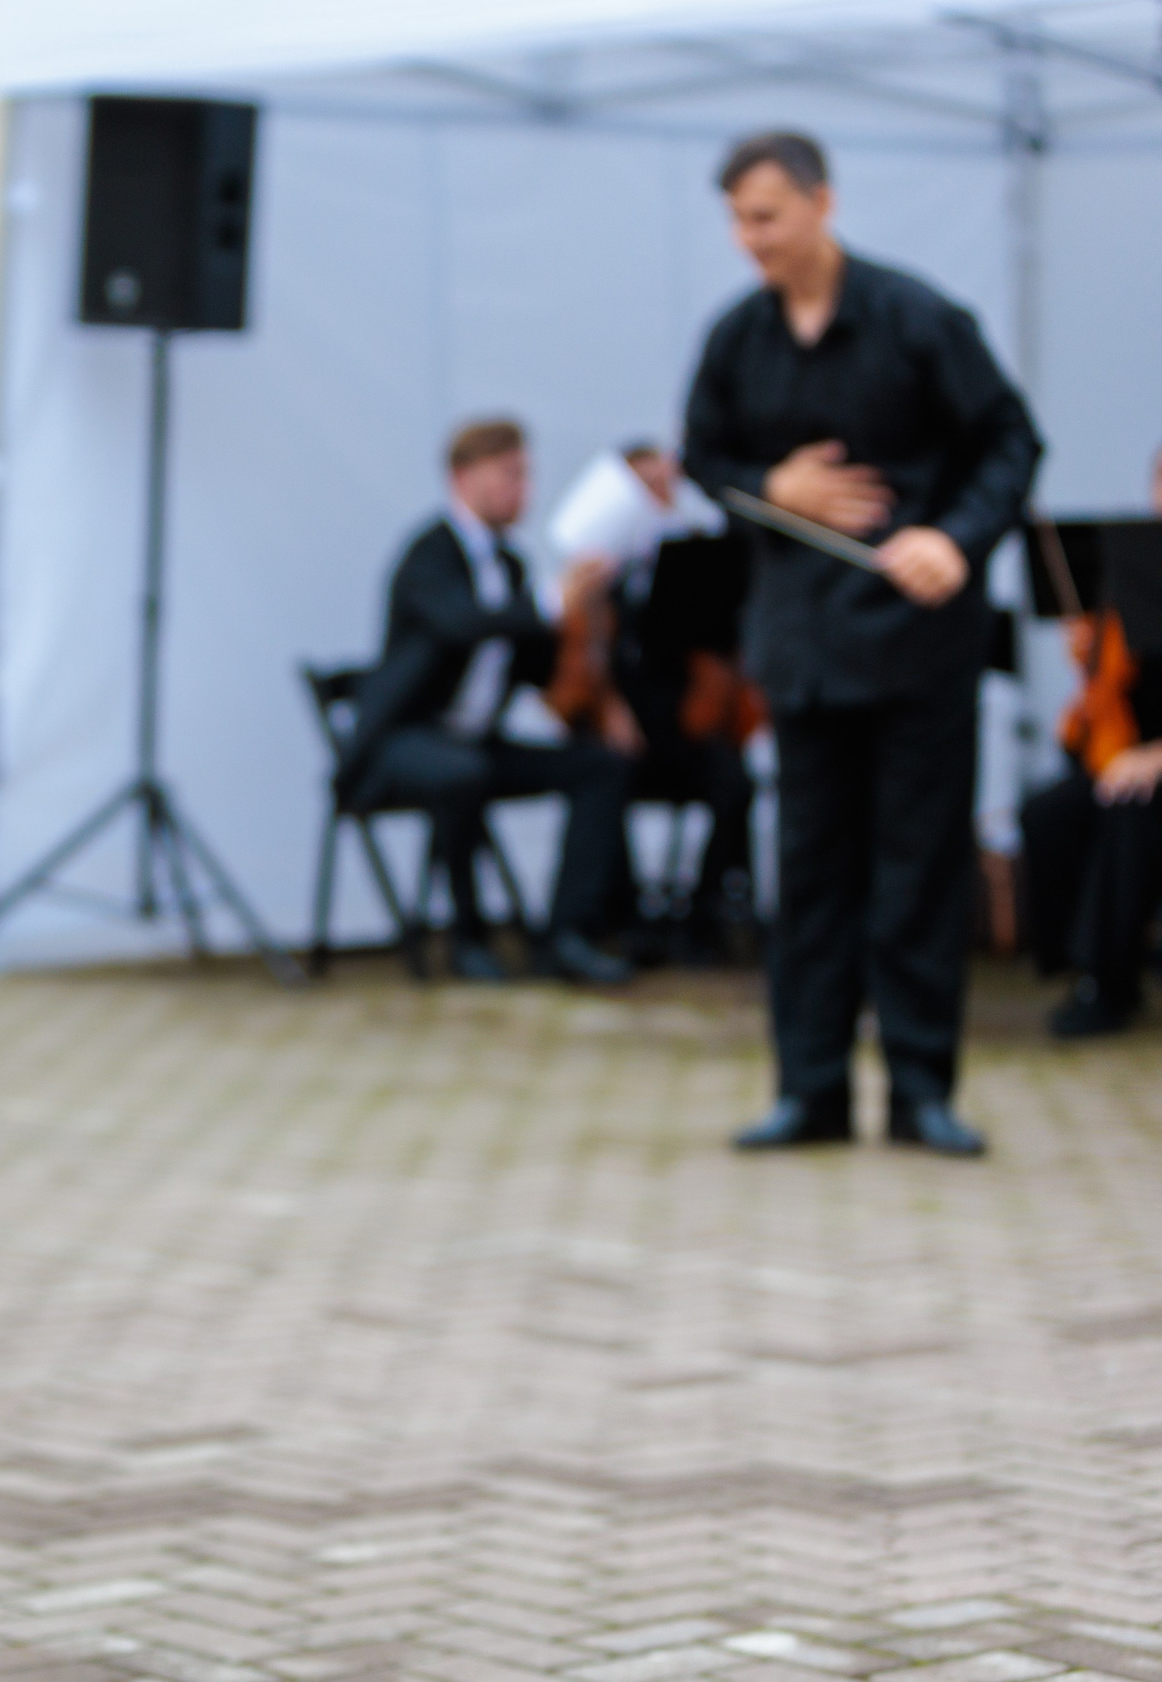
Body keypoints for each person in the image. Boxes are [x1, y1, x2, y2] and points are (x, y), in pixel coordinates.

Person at [682, 132, 1041, 1157]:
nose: (750, 239)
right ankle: (812, 1089)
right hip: (800, 646)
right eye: (738, 221)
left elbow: (1010, 443)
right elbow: (705, 459)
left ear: (819, 203)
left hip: (917, 640)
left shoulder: (918, 319)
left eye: (766, 216)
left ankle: (923, 1090)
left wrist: (954, 539)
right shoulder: (735, 339)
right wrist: (770, 489)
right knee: (810, 873)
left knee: (917, 869)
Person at [335, 418, 635, 984]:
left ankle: (568, 934)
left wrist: (585, 631)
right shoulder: (428, 555)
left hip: (477, 744)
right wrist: (551, 602)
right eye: (509, 475)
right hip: (401, 744)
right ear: (463, 476)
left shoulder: (513, 564)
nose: (521, 490)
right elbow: (462, 625)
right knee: (459, 774)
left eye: (525, 476)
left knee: (600, 766)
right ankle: (467, 937)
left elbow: (532, 667)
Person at [547, 442, 757, 953]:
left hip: (678, 717)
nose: (660, 495)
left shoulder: (691, 561)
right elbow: (570, 671)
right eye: (647, 485)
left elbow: (717, 643)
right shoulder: (591, 577)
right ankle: (616, 914)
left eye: (666, 484)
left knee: (733, 778)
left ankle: (706, 912)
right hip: (617, 720)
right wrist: (606, 707)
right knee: (604, 770)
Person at [1018, 447, 1162, 1038]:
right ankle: (1070, 959)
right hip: (1123, 750)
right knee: (1047, 813)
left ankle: (1110, 982)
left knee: (1127, 812)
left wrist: (1155, 760)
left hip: (1150, 763)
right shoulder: (1135, 570)